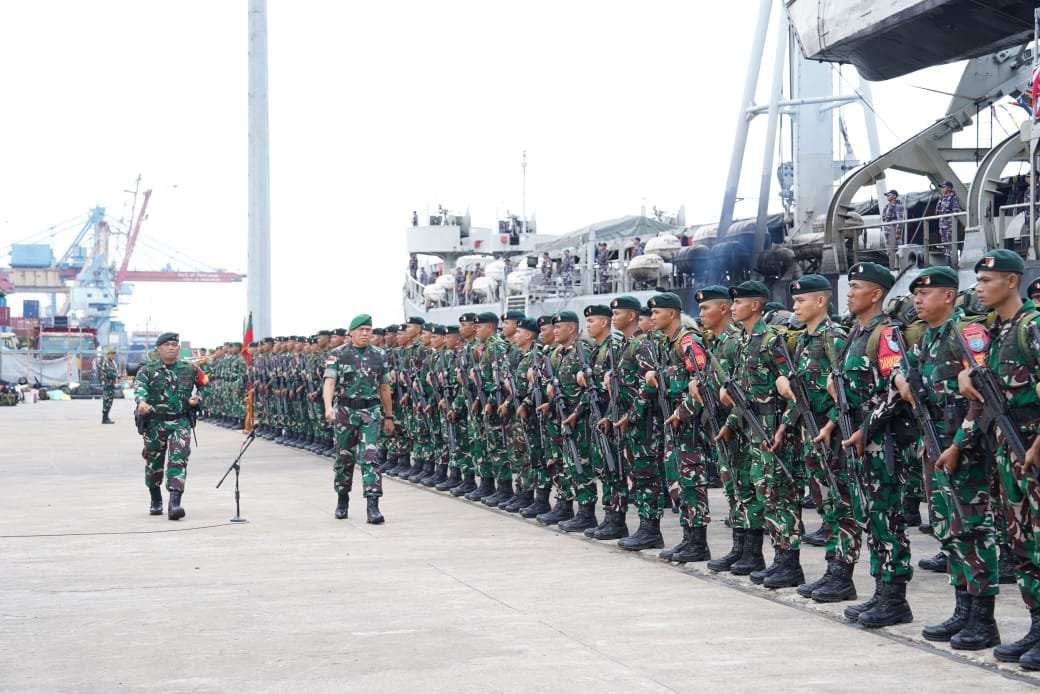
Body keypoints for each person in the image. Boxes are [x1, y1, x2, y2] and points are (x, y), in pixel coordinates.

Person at [937, 249, 1040, 668]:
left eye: (985, 281)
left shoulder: (1031, 327)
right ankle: (1036, 626)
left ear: (1010, 281)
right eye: (977, 281)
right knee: (1023, 545)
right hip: (1007, 452)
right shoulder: (996, 331)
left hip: (1030, 449)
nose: (978, 289)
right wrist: (966, 378)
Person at [323, 313, 395, 524]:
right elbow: (329, 382)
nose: (365, 333)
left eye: (368, 330)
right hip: (345, 412)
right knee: (344, 458)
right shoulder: (337, 354)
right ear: (352, 332)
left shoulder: (380, 355)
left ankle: (373, 507)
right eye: (361, 330)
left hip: (370, 412)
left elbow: (384, 387)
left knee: (370, 458)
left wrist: (389, 416)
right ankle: (342, 499)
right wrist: (328, 407)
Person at [133, 332, 209, 519]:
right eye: (167, 344)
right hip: (155, 422)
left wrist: (198, 398)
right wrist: (141, 403)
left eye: (174, 344)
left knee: (179, 458)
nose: (171, 347)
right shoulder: (147, 370)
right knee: (154, 462)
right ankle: (156, 499)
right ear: (158, 349)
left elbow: (206, 384)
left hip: (180, 421)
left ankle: (174, 504)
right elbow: (139, 388)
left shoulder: (190, 368)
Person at [936, 181, 962, 266]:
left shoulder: (954, 198)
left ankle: (953, 263)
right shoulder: (941, 198)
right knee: (945, 244)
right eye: (942, 187)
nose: (942, 188)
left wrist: (951, 227)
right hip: (942, 225)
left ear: (949, 188)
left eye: (944, 187)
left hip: (950, 225)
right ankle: (947, 263)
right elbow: (939, 213)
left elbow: (955, 212)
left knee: (951, 244)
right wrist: (940, 227)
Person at [882, 190, 906, 265]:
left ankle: (898, 266)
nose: (887, 197)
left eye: (889, 195)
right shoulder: (886, 206)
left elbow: (900, 220)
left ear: (894, 196)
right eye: (887, 195)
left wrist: (898, 233)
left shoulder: (898, 206)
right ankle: (892, 266)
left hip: (894, 232)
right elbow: (884, 219)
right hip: (887, 233)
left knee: (897, 249)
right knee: (889, 251)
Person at [100, 347, 119, 424]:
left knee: (110, 401)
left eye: (114, 355)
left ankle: (106, 417)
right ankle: (104, 418)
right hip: (107, 385)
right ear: (108, 355)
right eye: (112, 354)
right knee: (107, 401)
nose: (114, 356)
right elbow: (110, 373)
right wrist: (117, 376)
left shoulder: (112, 362)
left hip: (111, 385)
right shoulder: (107, 363)